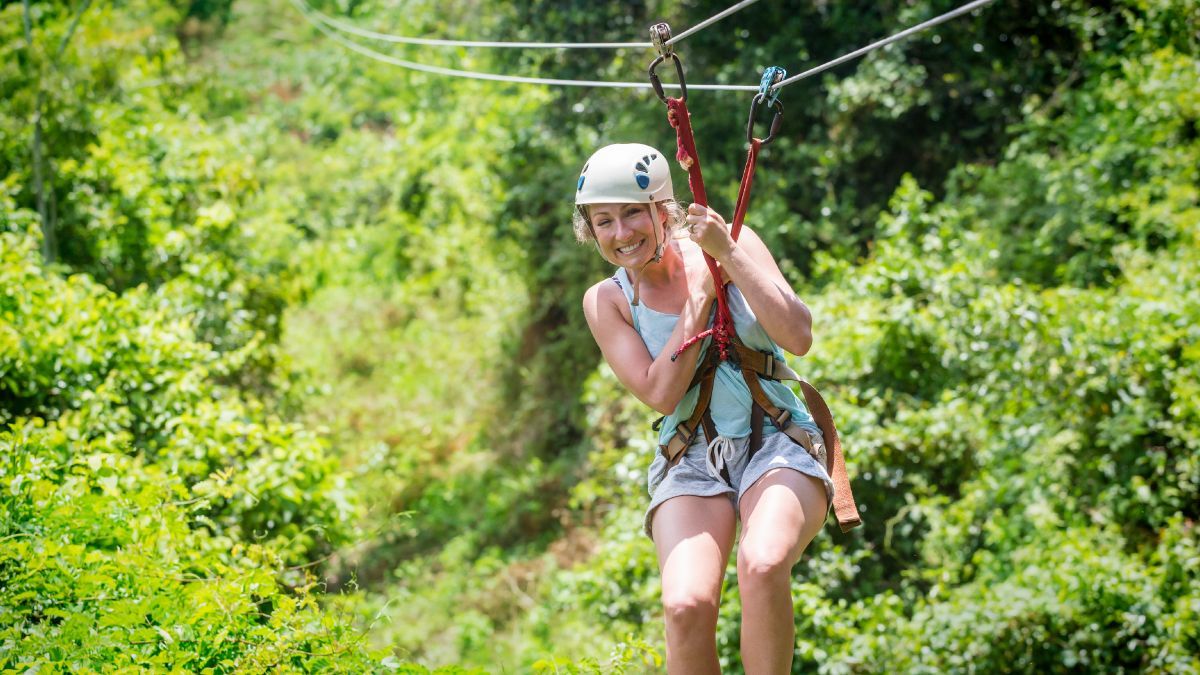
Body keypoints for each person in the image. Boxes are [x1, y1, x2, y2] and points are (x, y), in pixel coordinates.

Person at [576, 143, 836, 674]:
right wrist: (699, 298)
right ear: (591, 231)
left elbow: (799, 335)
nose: (621, 233)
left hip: (778, 437)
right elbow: (660, 392)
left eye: (632, 213)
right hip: (690, 455)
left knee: (762, 564)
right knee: (685, 605)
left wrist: (729, 257)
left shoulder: (732, 241)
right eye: (604, 221)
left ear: (663, 210)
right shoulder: (607, 301)